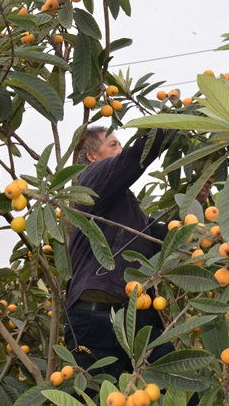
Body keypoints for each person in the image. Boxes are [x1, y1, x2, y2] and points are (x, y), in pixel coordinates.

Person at [64, 126, 208, 397]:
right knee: (97, 397)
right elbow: (130, 161)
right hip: (95, 317)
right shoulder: (89, 182)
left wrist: (193, 205)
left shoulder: (127, 207)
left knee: (181, 391)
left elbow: (160, 236)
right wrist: (163, 131)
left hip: (135, 313)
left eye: (121, 145)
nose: (121, 149)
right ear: (92, 156)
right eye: (114, 144)